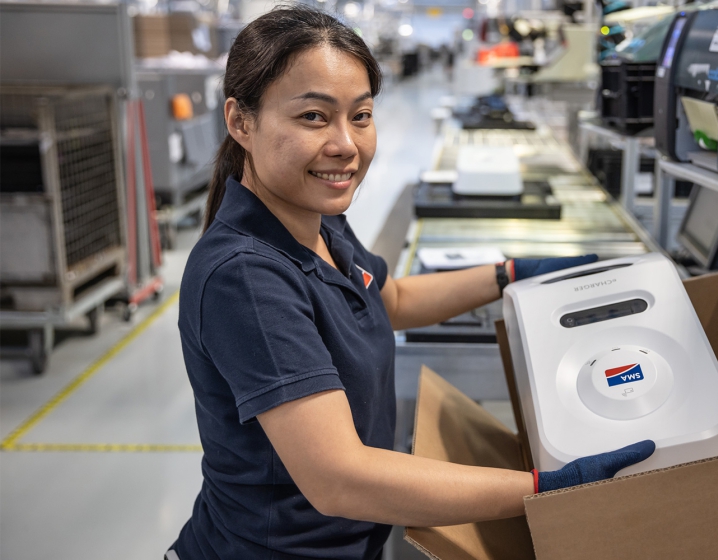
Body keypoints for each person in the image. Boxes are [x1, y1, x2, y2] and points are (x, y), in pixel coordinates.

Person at [168, 6, 654, 559]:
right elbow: (341, 479)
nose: (346, 144)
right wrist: (544, 491)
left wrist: (508, 274)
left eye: (361, 115)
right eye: (313, 117)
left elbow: (390, 299)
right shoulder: (246, 278)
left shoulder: (317, 217)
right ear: (241, 122)